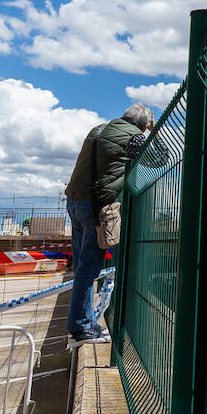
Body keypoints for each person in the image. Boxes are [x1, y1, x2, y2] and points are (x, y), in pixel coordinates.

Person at [63, 102, 155, 349]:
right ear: (142, 125)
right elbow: (159, 159)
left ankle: (82, 323)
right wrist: (151, 132)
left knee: (82, 266)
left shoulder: (99, 128)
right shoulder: (134, 137)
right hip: (95, 207)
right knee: (89, 268)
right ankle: (80, 327)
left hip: (74, 201)